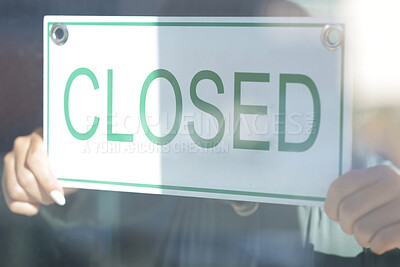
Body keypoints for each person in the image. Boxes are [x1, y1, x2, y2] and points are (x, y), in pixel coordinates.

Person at [2, 0, 400, 266]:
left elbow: (363, 206)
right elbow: (109, 200)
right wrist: (52, 174)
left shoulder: (334, 174)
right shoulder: (158, 169)